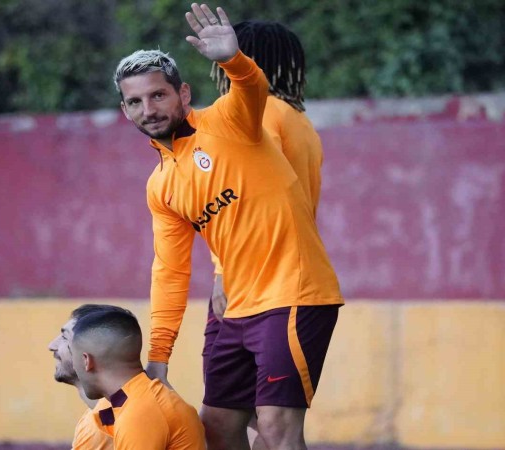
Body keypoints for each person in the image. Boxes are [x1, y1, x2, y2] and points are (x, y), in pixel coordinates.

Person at [112, 4, 343, 450]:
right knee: (216, 429)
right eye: (136, 102)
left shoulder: (230, 119)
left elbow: (253, 89)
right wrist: (159, 355)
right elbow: (170, 270)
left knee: (276, 430)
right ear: (125, 111)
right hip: (235, 307)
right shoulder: (161, 185)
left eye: (158, 95)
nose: (149, 109)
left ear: (183, 93)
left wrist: (233, 60)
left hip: (291, 294)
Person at [204, 21, 324, 450]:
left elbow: (241, 195)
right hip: (255, 284)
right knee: (223, 421)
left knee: (270, 429)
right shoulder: (300, 121)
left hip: (272, 285)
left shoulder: (262, 114)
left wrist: (221, 271)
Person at [70, 308, 206, 450]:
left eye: (73, 357)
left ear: (86, 360)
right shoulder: (134, 400)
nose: (74, 367)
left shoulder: (139, 413)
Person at [48, 304, 130, 450]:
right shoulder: (94, 420)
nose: (52, 346)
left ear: (90, 354)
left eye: (65, 338)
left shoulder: (120, 421)